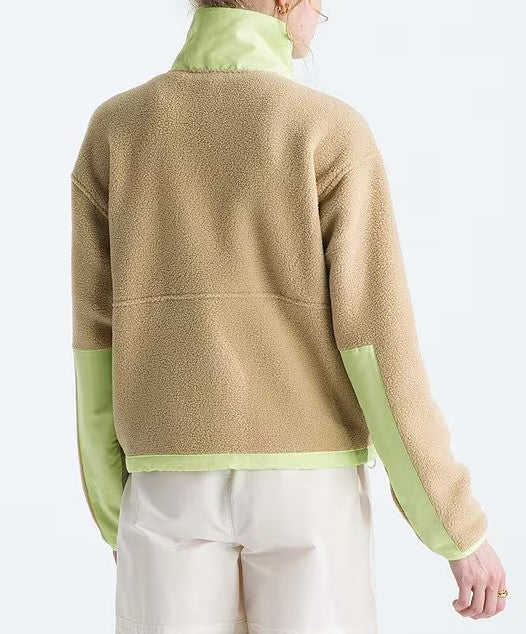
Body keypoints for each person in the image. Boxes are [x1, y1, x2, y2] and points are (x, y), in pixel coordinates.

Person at [70, 1, 508, 632]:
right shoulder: (327, 131)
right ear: (283, 2)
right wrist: (455, 527)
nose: (321, 14)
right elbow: (377, 348)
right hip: (308, 491)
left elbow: (95, 344)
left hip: (166, 487)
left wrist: (118, 514)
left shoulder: (117, 130)